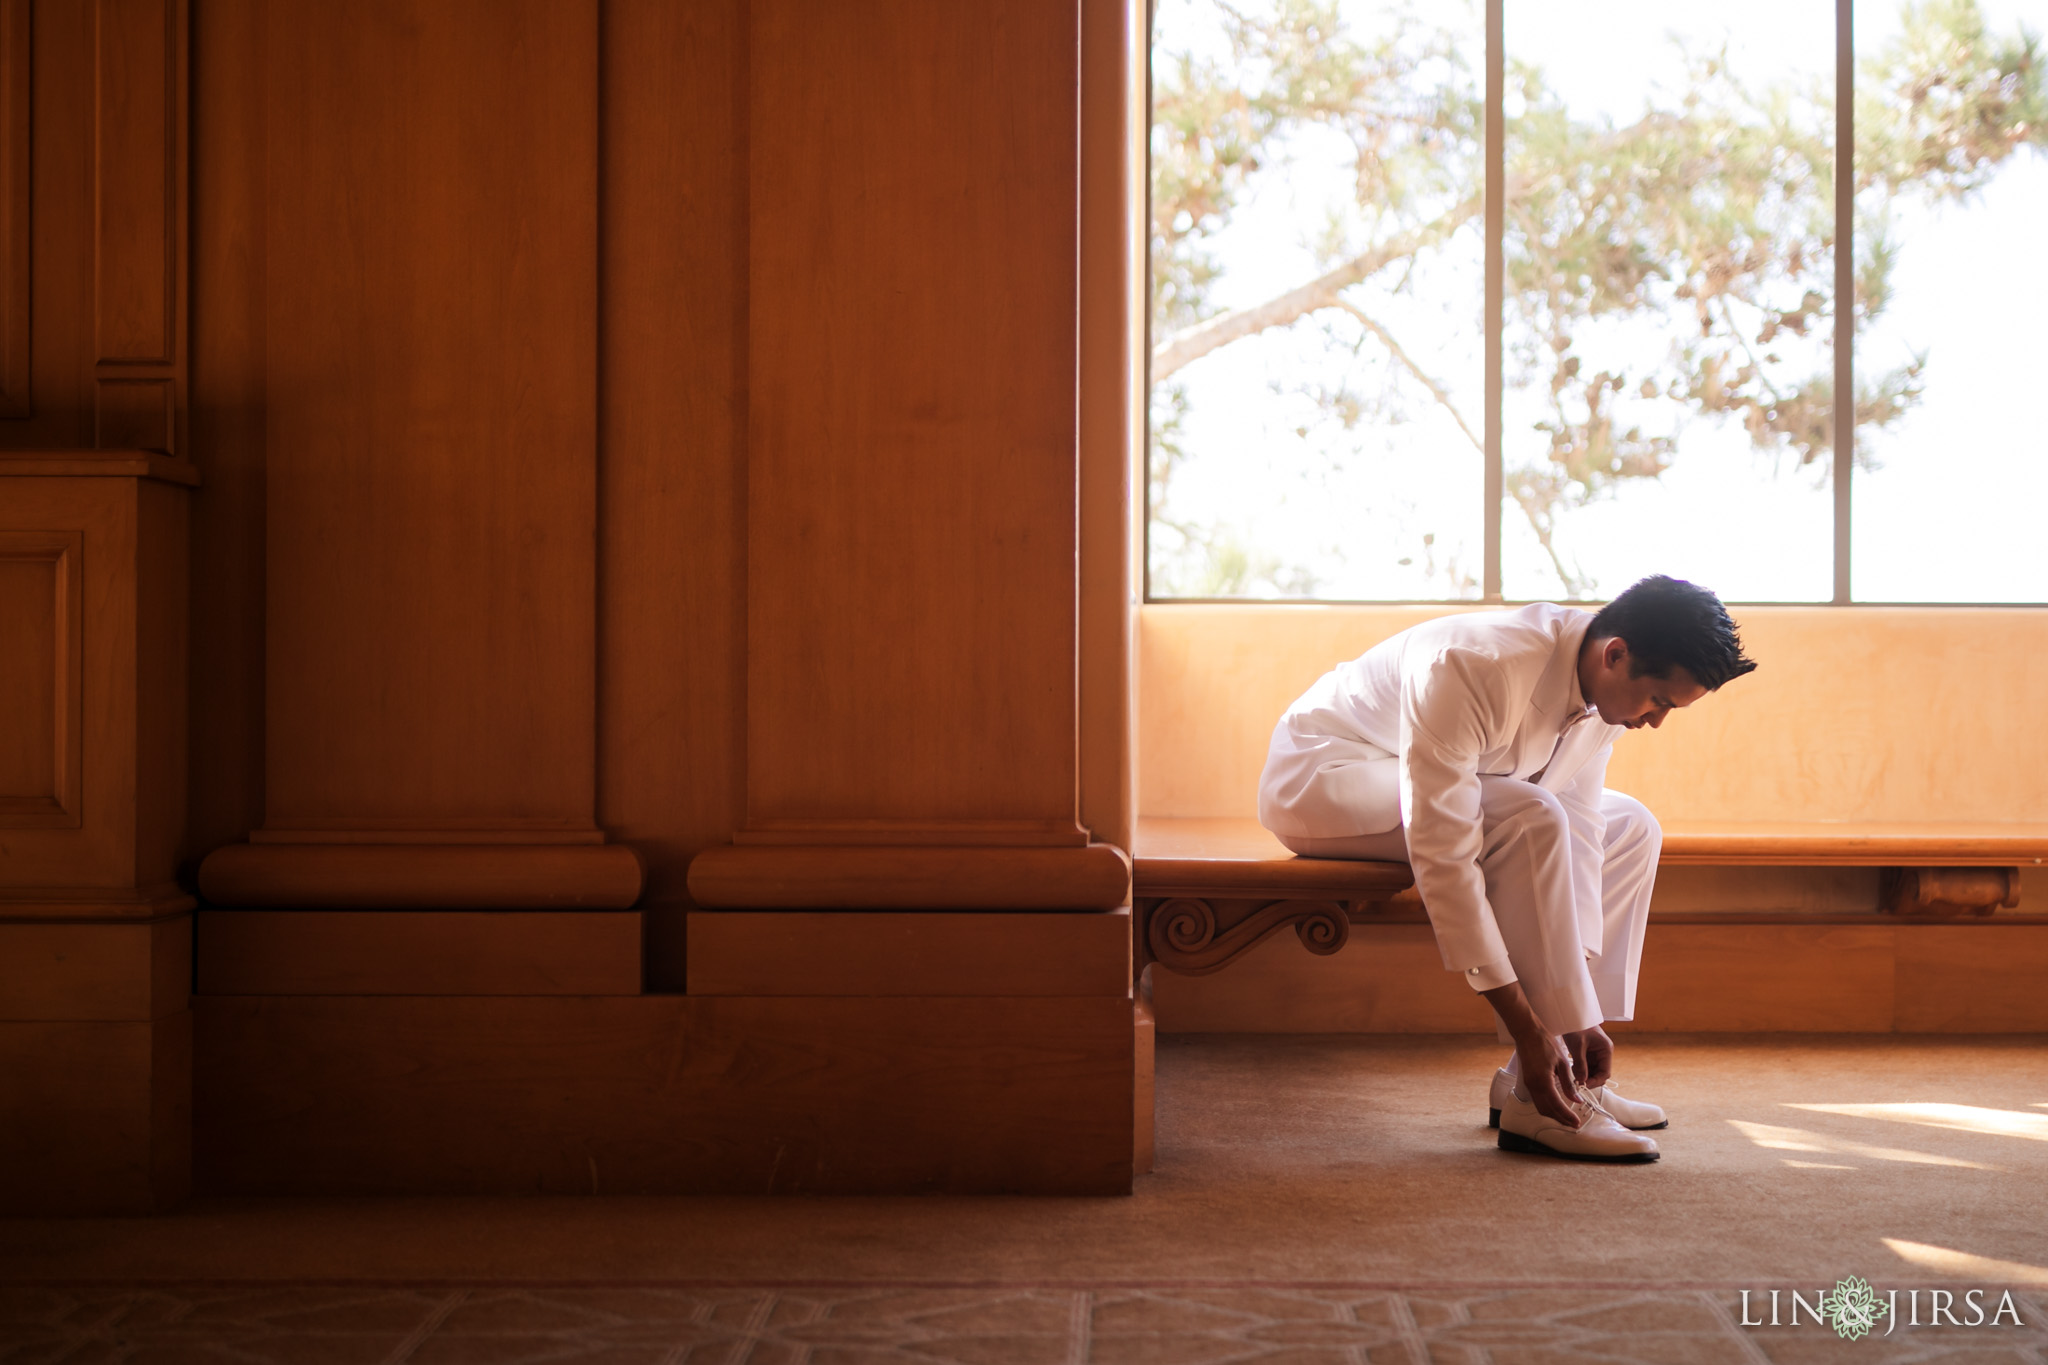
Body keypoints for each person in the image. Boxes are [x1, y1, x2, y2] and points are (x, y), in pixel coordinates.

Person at [1256, 575, 1756, 1163]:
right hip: (1327, 777)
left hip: (1419, 779)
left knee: (1631, 827)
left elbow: (1584, 827)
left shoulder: (1602, 691)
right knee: (1528, 815)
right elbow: (1443, 848)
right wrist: (1526, 1019)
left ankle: (1552, 1079)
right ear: (1615, 654)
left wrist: (1577, 1016)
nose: (1655, 722)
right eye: (1659, 702)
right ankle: (1534, 1097)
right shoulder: (1475, 665)